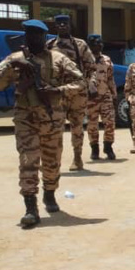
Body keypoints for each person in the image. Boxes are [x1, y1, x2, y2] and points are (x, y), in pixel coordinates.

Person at [0, 20, 85, 228]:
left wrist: (57, 90)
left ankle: (49, 194)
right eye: (29, 34)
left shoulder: (59, 59)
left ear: (44, 37)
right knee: (28, 160)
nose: (32, 38)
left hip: (52, 120)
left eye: (37, 34)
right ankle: (30, 207)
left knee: (52, 162)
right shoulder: (14, 58)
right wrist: (12, 67)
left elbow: (80, 82)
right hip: (26, 119)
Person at [47, 14, 96, 171]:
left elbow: (91, 66)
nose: (62, 26)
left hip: (76, 92)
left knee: (77, 127)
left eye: (65, 23)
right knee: (56, 127)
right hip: (57, 92)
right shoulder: (49, 45)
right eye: (59, 23)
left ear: (70, 25)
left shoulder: (80, 45)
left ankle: (77, 157)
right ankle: (55, 160)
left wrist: (88, 84)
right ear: (55, 26)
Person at [85, 34, 117, 160]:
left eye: (100, 43)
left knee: (110, 122)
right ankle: (94, 149)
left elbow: (110, 79)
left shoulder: (107, 60)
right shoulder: (85, 60)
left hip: (105, 96)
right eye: (96, 43)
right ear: (90, 45)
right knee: (92, 125)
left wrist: (114, 95)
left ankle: (108, 146)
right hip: (90, 98)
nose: (99, 45)